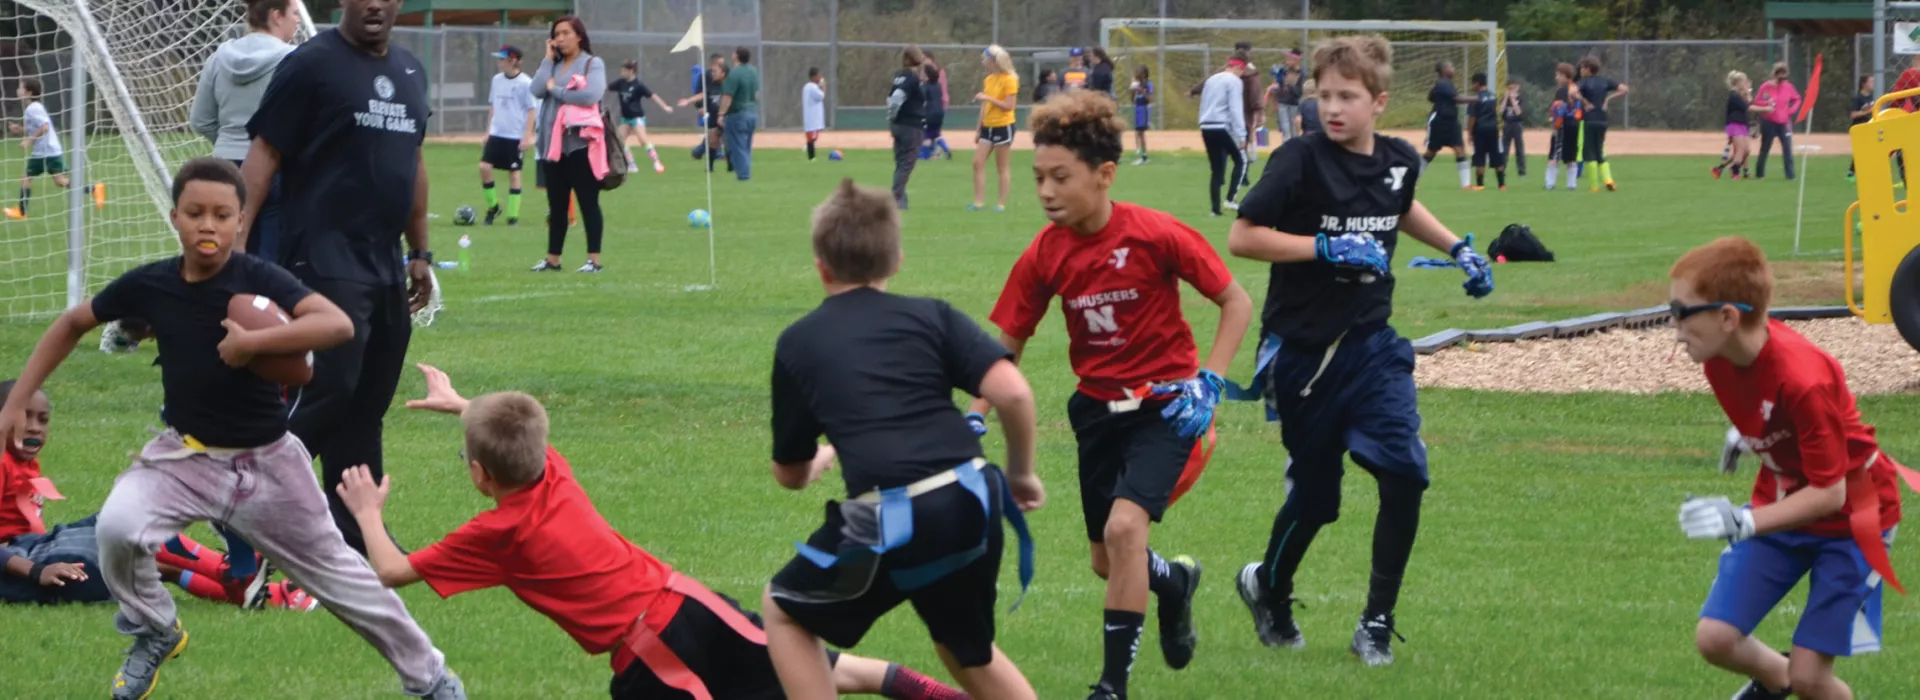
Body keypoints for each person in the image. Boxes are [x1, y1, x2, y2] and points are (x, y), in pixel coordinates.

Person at [0, 157, 464, 700]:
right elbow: (73, 322)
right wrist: (22, 395)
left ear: (241, 222)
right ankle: (155, 628)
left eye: (222, 215)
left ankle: (432, 679)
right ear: (175, 217)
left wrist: (254, 344)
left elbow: (335, 324)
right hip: (183, 457)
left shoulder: (258, 279)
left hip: (267, 464)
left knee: (347, 582)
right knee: (117, 528)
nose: (208, 225)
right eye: (195, 212)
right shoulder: (152, 284)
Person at [335, 365, 972, 700]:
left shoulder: (496, 533)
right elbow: (516, 439)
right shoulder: (554, 475)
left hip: (649, 654)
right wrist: (464, 406)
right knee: (835, 673)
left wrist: (367, 510)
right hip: (687, 600)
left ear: (478, 476)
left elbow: (391, 571)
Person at [972, 89, 1254, 700]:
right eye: (1038, 177)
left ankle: (1111, 687)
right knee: (1108, 560)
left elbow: (1236, 300)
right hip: (1097, 413)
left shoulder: (1155, 234)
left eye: (1060, 177)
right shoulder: (1044, 254)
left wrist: (1210, 381)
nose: (1045, 191)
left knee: (1127, 532)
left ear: (1103, 176)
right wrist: (975, 414)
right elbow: (1008, 341)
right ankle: (1174, 585)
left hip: (1170, 409)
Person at [1226, 34, 1495, 668]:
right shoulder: (1297, 160)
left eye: (1347, 96)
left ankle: (1376, 621)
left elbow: (1399, 209)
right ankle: (1269, 585)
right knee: (1318, 500)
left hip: (1374, 347)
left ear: (1378, 102)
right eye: (1324, 95)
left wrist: (1458, 247)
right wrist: (1321, 248)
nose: (1332, 108)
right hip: (1303, 354)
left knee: (1405, 473)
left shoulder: (1400, 160)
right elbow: (1242, 237)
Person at [763, 178, 1044, 700]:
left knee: (783, 610)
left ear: (820, 264)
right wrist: (1021, 473)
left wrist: (817, 460)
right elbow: (1014, 395)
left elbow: (788, 473)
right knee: (967, 650)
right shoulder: (932, 315)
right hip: (974, 490)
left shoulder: (798, 342)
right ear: (896, 260)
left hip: (890, 508)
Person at [1669, 236, 1920, 700]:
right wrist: (1752, 436)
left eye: (1682, 312)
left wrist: (1743, 520)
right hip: (1788, 505)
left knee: (1811, 679)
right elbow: (1776, 412)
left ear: (1727, 317)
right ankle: (1773, 682)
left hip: (1854, 522)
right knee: (1716, 639)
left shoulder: (1804, 377)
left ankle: (1791, 681)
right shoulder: (1717, 360)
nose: (1674, 327)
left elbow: (1831, 493)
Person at [237, 0, 437, 558]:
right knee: (331, 388)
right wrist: (239, 236)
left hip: (384, 264)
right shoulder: (310, 64)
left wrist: (419, 248)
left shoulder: (411, 69)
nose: (374, 3)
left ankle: (356, 537)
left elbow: (413, 163)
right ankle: (249, 508)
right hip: (323, 258)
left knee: (367, 406)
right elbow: (265, 151)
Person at [0, 378, 316, 611]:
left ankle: (256, 588)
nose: (35, 428)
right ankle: (242, 576)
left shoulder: (17, 460)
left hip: (35, 550)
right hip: (24, 568)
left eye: (42, 419)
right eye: (25, 416)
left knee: (142, 541)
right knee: (144, 543)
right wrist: (36, 571)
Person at [190, 0, 295, 260]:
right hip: (276, 168)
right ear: (276, 15)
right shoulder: (294, 61)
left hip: (224, 168)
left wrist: (228, 142)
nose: (299, 20)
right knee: (270, 260)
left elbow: (200, 120)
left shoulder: (218, 58)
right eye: (294, 13)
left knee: (222, 253)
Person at [529, 16, 609, 273]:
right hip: (552, 147)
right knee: (557, 205)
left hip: (580, 145)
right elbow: (537, 89)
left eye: (565, 33)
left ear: (579, 36)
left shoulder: (592, 64)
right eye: (556, 34)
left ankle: (593, 261)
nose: (560, 39)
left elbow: (591, 95)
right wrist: (547, 59)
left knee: (588, 202)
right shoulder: (554, 64)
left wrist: (558, 92)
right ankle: (553, 260)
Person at [4, 78, 85, 221]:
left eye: (20, 88)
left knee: (26, 178)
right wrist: (19, 129)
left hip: (45, 152)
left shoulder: (33, 108)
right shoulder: (34, 107)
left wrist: (30, 140)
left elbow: (45, 127)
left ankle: (22, 212)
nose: (18, 90)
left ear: (28, 92)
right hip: (51, 151)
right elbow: (36, 128)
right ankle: (94, 189)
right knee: (60, 182)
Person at [478, 45, 536, 226]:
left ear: (513, 61)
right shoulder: (497, 80)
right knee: (484, 167)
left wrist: (527, 135)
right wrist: (488, 131)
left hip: (514, 135)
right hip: (497, 133)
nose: (499, 62)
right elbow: (493, 106)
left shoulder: (526, 83)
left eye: (502, 59)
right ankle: (494, 206)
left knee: (514, 173)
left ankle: (512, 217)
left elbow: (532, 110)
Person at [1199, 55, 1250, 216]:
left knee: (1216, 169)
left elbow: (1203, 103)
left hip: (1206, 125)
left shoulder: (1211, 79)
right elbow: (1235, 108)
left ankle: (1215, 210)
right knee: (1240, 160)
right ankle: (1230, 199)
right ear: (1238, 68)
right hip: (1222, 125)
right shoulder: (1234, 81)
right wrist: (1241, 135)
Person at [1569, 55, 1628, 192]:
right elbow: (1624, 89)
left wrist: (1584, 102)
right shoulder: (1605, 81)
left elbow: (1572, 92)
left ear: (1588, 69)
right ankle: (1608, 179)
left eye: (1582, 68)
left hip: (1589, 120)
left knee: (1589, 153)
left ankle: (1594, 186)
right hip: (1602, 120)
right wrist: (1608, 99)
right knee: (1600, 150)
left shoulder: (1584, 82)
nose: (1581, 71)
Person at [971, 46, 1019, 212]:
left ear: (995, 61)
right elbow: (985, 106)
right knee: (977, 163)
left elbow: (1009, 106)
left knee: (1002, 166)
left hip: (1003, 126)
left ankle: (1001, 204)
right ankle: (978, 202)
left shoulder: (1009, 80)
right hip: (988, 126)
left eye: (985, 59)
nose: (983, 62)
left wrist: (988, 98)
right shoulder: (989, 80)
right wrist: (979, 128)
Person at [607, 59, 674, 175]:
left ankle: (656, 161)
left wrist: (665, 106)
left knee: (643, 140)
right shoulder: (620, 83)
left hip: (636, 117)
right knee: (619, 141)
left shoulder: (638, 85)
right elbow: (606, 87)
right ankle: (631, 165)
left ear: (631, 71)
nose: (622, 73)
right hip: (625, 118)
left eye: (624, 71)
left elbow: (653, 96)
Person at [1420, 59, 1472, 191]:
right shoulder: (1443, 83)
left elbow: (1430, 97)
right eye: (1451, 67)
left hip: (1451, 122)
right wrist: (1477, 99)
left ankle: (1466, 185)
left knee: (1459, 150)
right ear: (1445, 70)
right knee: (1431, 152)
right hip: (1440, 122)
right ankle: (1412, 181)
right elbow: (1456, 98)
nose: (1454, 69)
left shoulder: (1444, 84)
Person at [887, 46, 928, 210]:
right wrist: (893, 114)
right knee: (906, 164)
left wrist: (892, 119)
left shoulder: (899, 76)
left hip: (898, 125)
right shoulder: (911, 78)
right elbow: (897, 98)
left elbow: (890, 97)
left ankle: (901, 199)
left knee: (900, 162)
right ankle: (895, 198)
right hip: (911, 126)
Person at [678, 55, 728, 172]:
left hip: (724, 115)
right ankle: (707, 164)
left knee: (726, 139)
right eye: (719, 65)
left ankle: (730, 165)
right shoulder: (705, 77)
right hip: (712, 113)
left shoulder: (727, 79)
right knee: (713, 139)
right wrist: (695, 104)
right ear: (713, 65)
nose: (722, 67)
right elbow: (701, 93)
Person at [1752, 61, 1801, 181]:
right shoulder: (1766, 87)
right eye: (1780, 76)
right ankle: (1760, 174)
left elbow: (1797, 99)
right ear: (1774, 75)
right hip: (1769, 122)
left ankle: (1790, 175)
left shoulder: (1788, 87)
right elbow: (1757, 101)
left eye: (1784, 77)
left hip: (1784, 123)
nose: (1782, 80)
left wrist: (1791, 111)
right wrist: (1766, 103)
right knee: (1765, 148)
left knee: (1787, 148)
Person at [1714, 71, 1765, 181]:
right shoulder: (1734, 95)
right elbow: (1745, 106)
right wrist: (1747, 94)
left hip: (1742, 125)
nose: (1745, 83)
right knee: (1741, 149)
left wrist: (1747, 94)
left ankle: (1723, 168)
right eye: (1743, 81)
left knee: (1746, 150)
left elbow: (1749, 103)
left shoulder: (1740, 95)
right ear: (1737, 83)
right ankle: (1735, 170)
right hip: (1734, 124)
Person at [720, 47, 761, 181]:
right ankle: (745, 171)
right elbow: (756, 94)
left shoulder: (734, 74)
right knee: (746, 146)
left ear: (736, 56)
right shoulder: (753, 71)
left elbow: (728, 96)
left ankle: (744, 176)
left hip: (737, 114)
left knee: (737, 147)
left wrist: (721, 114)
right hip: (751, 112)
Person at [1545, 62, 1582, 191]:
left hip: (1563, 125)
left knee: (1554, 155)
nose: (1556, 78)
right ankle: (1571, 185)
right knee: (1571, 155)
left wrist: (1555, 126)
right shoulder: (1576, 88)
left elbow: (1559, 110)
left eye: (1559, 75)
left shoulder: (1562, 91)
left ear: (1566, 76)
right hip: (1574, 124)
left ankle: (1550, 183)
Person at [1466, 72, 1505, 191]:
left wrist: (1469, 133)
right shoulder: (1493, 97)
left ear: (1477, 84)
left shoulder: (1475, 98)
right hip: (1493, 128)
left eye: (1473, 84)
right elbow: (1495, 113)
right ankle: (1502, 185)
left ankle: (1480, 184)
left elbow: (1472, 117)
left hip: (1480, 129)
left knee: (1480, 156)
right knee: (1496, 156)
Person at [920, 52, 953, 160]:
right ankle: (945, 149)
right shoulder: (936, 84)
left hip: (931, 111)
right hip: (939, 109)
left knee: (927, 134)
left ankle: (925, 155)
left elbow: (922, 98)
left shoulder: (927, 84)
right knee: (936, 133)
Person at [1270, 50, 1305, 141]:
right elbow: (1280, 84)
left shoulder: (1301, 73)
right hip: (1283, 102)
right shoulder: (1284, 70)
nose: (1287, 61)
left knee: (1294, 131)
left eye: (1290, 59)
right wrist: (1278, 80)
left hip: (1294, 104)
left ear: (1296, 60)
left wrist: (1290, 85)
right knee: (1285, 131)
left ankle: (1296, 151)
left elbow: (1300, 91)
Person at [1848, 76, 1875, 181]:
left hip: (1869, 126)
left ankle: (1864, 172)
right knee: (1861, 151)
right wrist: (1867, 112)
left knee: (1869, 150)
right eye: (1871, 82)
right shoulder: (1858, 98)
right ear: (1864, 84)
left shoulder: (1871, 96)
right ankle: (1851, 173)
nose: (1873, 84)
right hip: (1859, 127)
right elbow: (1853, 114)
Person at [1499, 79, 1525, 177]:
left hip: (1517, 124)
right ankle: (1502, 169)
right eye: (1509, 88)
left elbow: (1519, 112)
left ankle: (1521, 171)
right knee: (1504, 148)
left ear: (1518, 87)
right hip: (1507, 124)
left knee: (1519, 148)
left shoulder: (1520, 99)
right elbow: (1501, 111)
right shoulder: (1505, 99)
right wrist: (1506, 98)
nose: (1511, 90)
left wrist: (1513, 100)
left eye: (1513, 88)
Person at [1131, 66, 1154, 165]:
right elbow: (1132, 100)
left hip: (1144, 109)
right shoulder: (1137, 84)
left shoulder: (1148, 84)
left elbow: (1150, 99)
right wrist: (1132, 91)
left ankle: (1144, 156)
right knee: (1138, 132)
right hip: (1137, 108)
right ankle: (1141, 153)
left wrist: (1142, 91)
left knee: (1141, 132)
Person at [804, 67, 828, 161]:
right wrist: (824, 87)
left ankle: (811, 154)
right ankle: (811, 156)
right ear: (814, 77)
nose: (820, 77)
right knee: (812, 138)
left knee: (813, 136)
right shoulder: (812, 87)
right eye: (819, 75)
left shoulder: (807, 87)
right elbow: (821, 96)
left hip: (811, 116)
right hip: (813, 117)